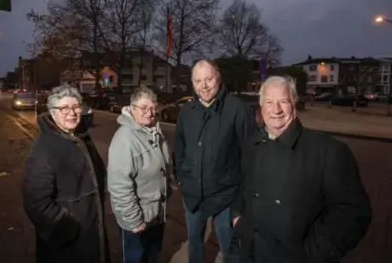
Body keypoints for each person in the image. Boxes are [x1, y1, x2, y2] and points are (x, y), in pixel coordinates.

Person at [232, 76, 372, 263]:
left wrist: (314, 253)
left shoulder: (328, 151)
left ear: (294, 105)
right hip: (252, 255)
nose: (276, 110)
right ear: (261, 107)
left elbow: (352, 213)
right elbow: (241, 186)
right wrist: (238, 219)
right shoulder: (251, 145)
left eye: (283, 101)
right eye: (269, 102)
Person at [174, 59, 255, 263]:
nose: (204, 85)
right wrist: (183, 180)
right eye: (198, 80)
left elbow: (251, 156)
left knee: (231, 249)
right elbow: (179, 150)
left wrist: (242, 200)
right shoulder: (186, 112)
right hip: (193, 195)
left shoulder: (238, 110)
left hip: (226, 197)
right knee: (194, 244)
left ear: (218, 78)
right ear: (192, 83)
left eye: (209, 79)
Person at [22, 84, 110, 263]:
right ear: (52, 112)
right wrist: (67, 229)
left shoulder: (82, 138)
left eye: (76, 106)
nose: (72, 112)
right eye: (64, 108)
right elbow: (37, 203)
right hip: (68, 245)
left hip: (92, 232)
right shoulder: (44, 150)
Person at [108, 86, 171, 263]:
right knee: (137, 258)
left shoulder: (154, 131)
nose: (149, 113)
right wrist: (134, 220)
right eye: (144, 108)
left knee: (152, 256)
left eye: (152, 107)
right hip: (137, 220)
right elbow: (119, 186)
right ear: (132, 108)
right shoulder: (125, 138)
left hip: (155, 214)